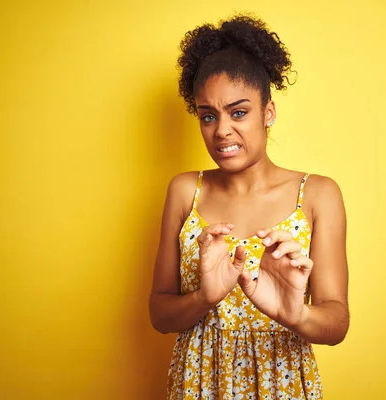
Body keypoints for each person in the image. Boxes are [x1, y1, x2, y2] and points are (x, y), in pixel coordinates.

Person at [149, 14, 349, 400]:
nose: (222, 130)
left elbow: (337, 322)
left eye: (238, 112)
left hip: (283, 382)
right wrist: (204, 297)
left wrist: (296, 313)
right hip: (198, 384)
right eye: (208, 116)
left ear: (268, 113)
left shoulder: (318, 195)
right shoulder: (184, 191)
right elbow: (159, 315)